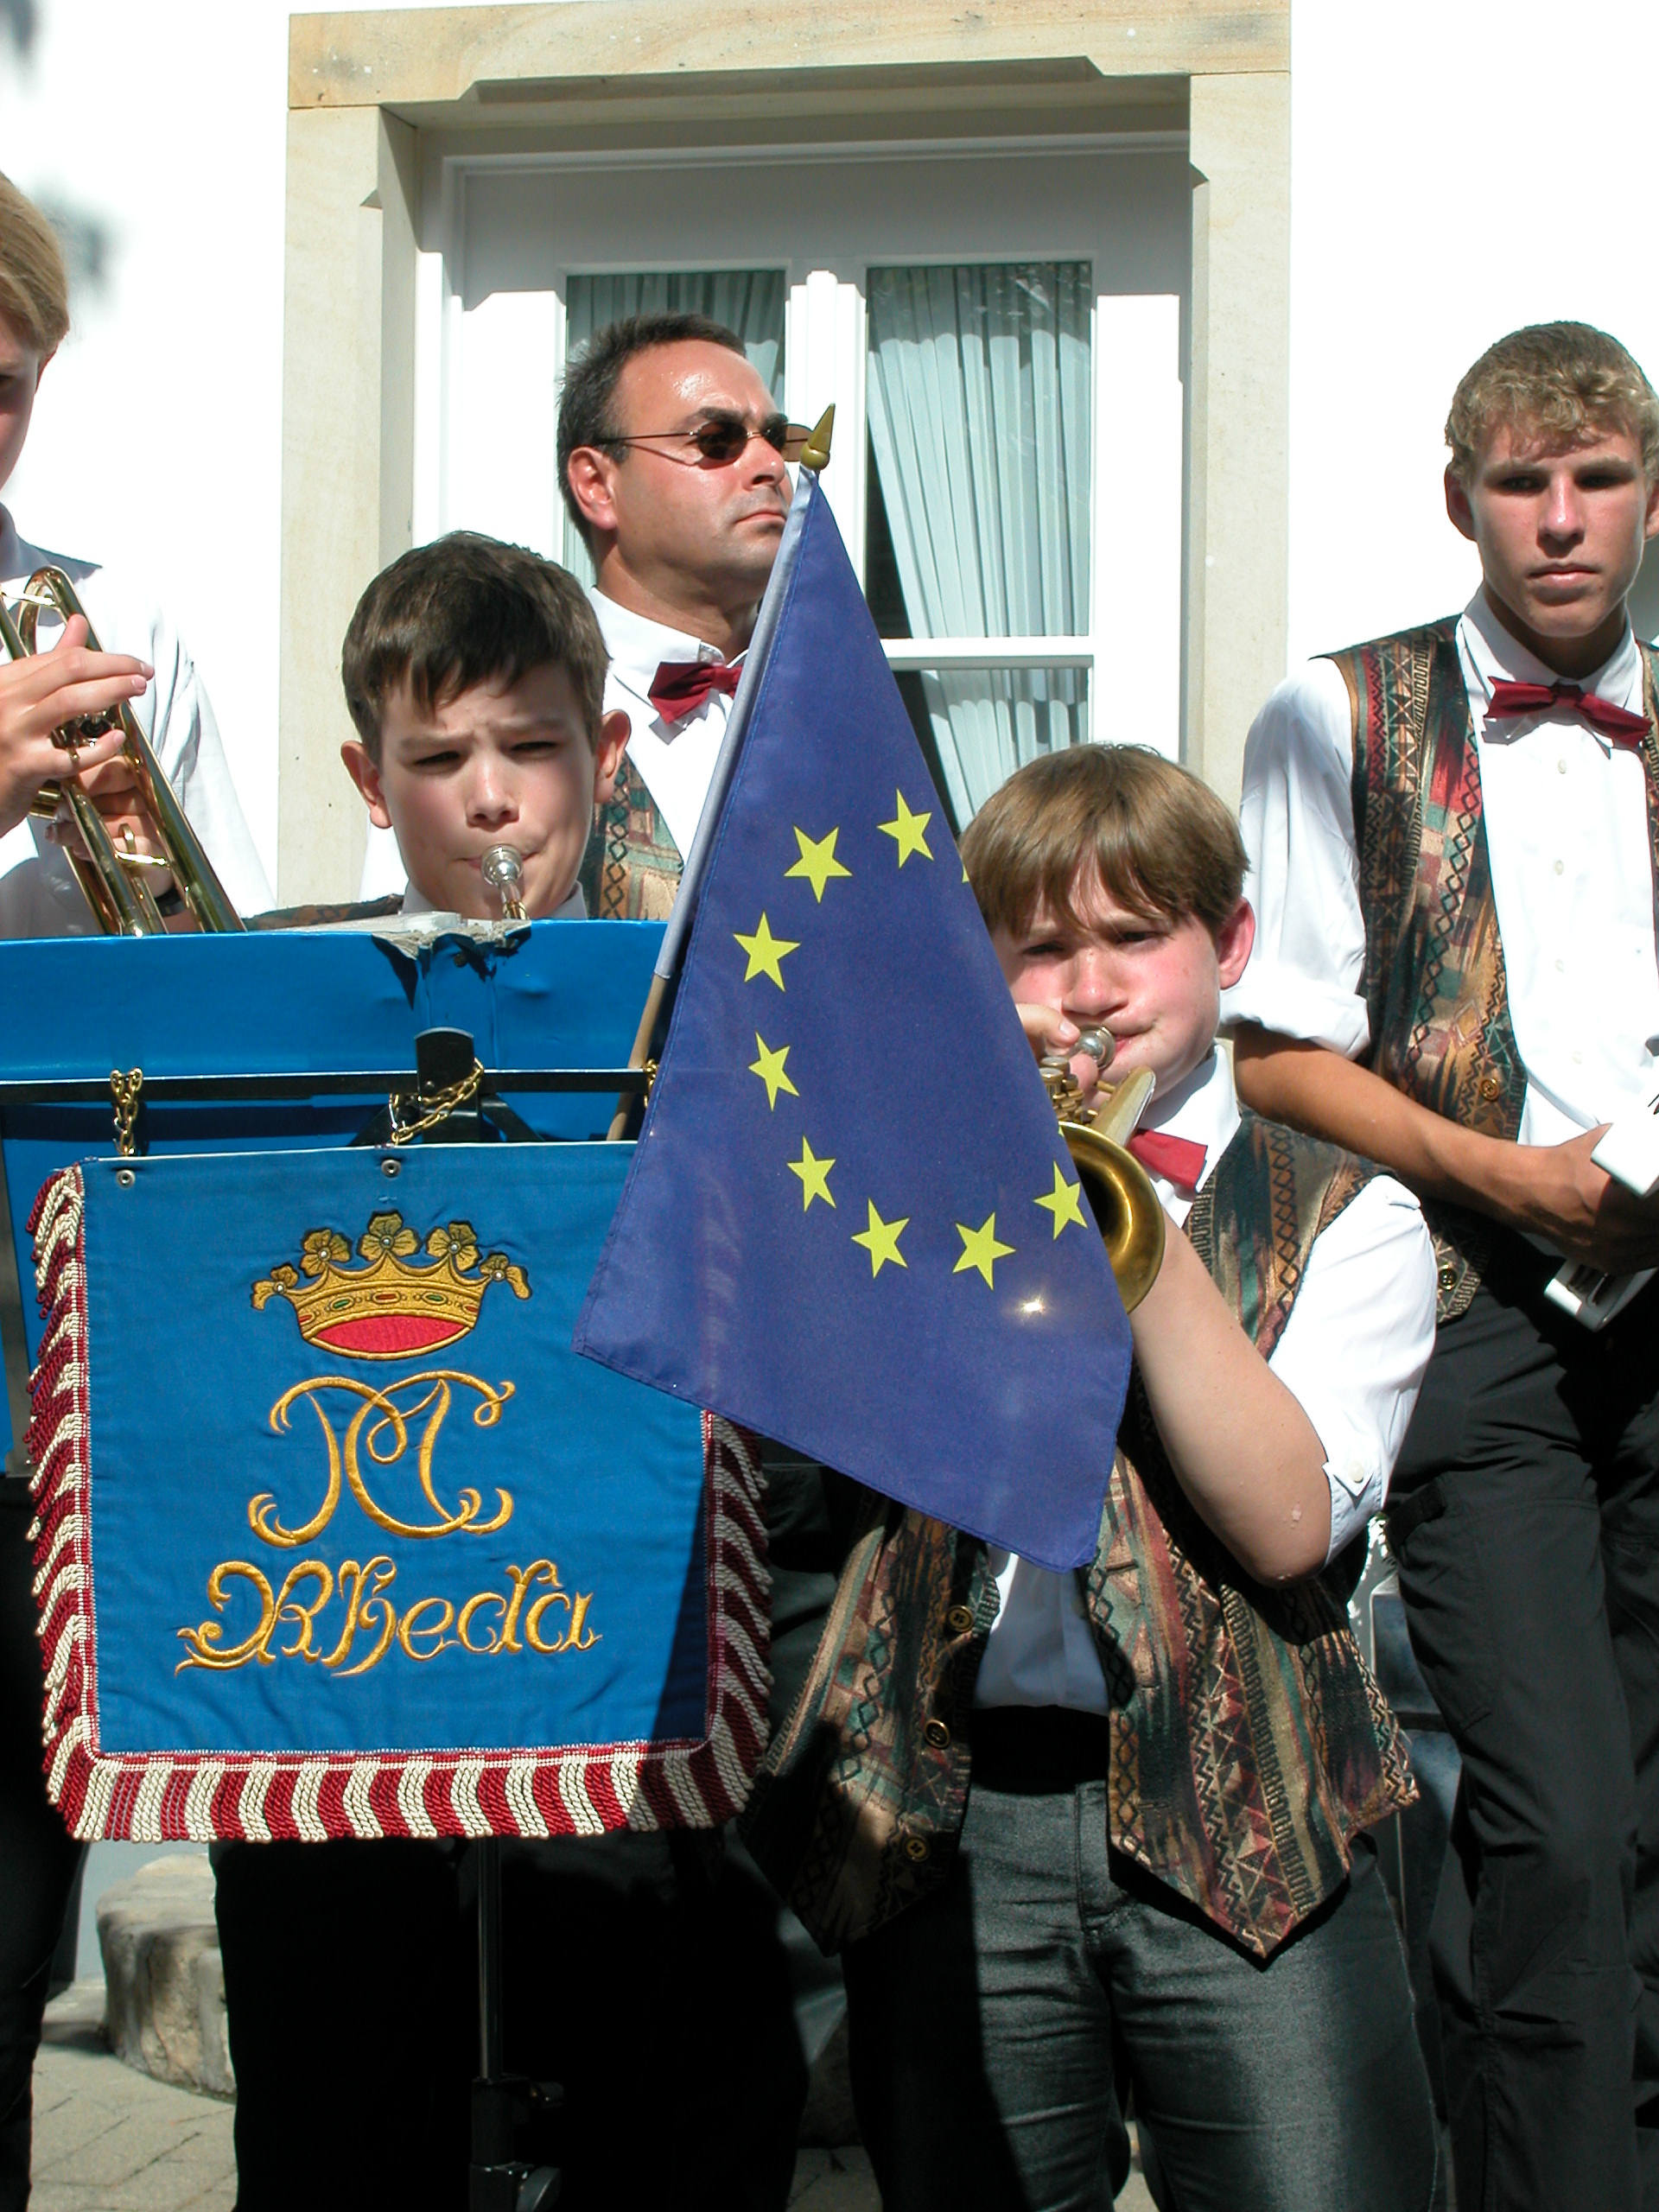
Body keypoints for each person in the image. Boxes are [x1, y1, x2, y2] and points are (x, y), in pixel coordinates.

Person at [743, 742, 1441, 2212]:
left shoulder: (1349, 1212)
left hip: (1252, 1815)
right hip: (961, 1819)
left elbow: (1286, 1522)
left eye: (1135, 937)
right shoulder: (905, 1204)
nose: (1093, 991)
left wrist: (1130, 1228)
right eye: (1042, 950)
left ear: (1229, 944)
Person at [215, 531, 804, 2212]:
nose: (492, 799)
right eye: (439, 758)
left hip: (623, 1668)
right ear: (368, 779)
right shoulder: (259, 1005)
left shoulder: (723, 1002)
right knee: (337, 2137)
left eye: (533, 748)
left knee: (679, 2120)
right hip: (334, 1680)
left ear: (604, 753)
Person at [1228, 321, 1659, 2212]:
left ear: (1651, 495)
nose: (1561, 519)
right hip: (1479, 1309)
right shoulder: (1339, 713)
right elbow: (1276, 1051)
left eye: (1599, 479)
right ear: (1460, 499)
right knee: (1557, 1818)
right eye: (1522, 482)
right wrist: (1506, 1177)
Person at [0, 172, 270, 2212]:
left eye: (8, 382)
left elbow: (219, 978)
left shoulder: (97, 622)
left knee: (14, 1927)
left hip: (40, 1339)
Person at [0, 174, 270, 935]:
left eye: (0, 384)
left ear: (44, 368)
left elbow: (231, 970)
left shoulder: (118, 621)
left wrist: (152, 876)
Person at [557, 311, 798, 918]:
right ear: (597, 485)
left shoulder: (833, 703)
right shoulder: (516, 714)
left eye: (776, 438)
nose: (770, 465)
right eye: (717, 440)